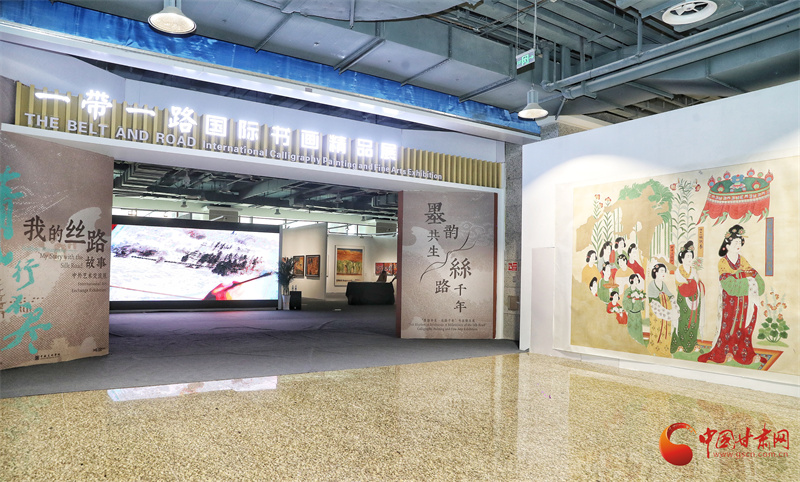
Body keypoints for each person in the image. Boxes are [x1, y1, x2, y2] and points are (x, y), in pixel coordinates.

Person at [698, 225, 766, 365]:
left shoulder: (743, 260)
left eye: (740, 242)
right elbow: (729, 285)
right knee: (729, 327)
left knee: (744, 327)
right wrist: (747, 279)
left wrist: (749, 280)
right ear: (727, 245)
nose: (738, 245)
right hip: (730, 302)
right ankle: (726, 352)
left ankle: (744, 352)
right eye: (735, 242)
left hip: (745, 302)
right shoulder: (723, 262)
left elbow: (756, 277)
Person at [670, 242, 703, 354]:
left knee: (693, 321)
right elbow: (682, 284)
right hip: (683, 299)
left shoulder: (694, 271)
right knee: (682, 320)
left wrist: (694, 283)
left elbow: (697, 282)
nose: (690, 259)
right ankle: (680, 343)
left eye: (691, 256)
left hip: (695, 299)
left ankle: (692, 343)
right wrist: (690, 282)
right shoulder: (678, 271)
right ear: (682, 258)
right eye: (687, 256)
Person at [647, 263, 676, 357]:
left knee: (666, 328)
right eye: (662, 271)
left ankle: (664, 348)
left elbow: (669, 294)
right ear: (656, 272)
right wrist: (661, 298)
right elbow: (652, 299)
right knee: (656, 329)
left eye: (665, 271)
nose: (664, 273)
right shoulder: (651, 285)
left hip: (665, 308)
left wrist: (672, 300)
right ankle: (655, 347)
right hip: (656, 309)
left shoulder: (663, 284)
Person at [622, 273, 647, 345]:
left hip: (638, 314)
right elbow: (624, 302)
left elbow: (641, 304)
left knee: (638, 330)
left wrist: (642, 301)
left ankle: (639, 343)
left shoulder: (638, 291)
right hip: (631, 314)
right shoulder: (627, 291)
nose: (636, 281)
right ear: (631, 280)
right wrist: (631, 302)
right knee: (632, 330)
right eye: (635, 280)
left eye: (637, 280)